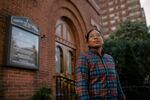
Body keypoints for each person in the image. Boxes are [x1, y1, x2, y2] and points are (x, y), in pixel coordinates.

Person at [75, 29, 126, 100]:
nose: (96, 37)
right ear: (87, 43)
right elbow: (81, 86)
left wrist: (122, 97)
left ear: (103, 40)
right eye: (92, 36)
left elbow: (117, 81)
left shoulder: (110, 58)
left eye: (98, 35)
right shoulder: (84, 58)